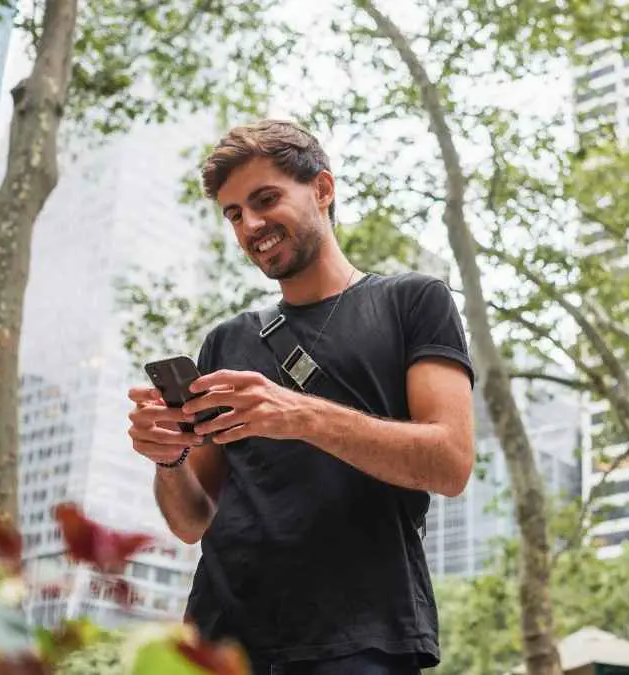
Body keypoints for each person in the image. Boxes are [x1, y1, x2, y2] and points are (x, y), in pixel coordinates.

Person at [126, 119, 475, 675]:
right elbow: (192, 520)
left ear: (322, 189)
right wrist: (169, 460)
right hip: (218, 642)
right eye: (234, 213)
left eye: (266, 199)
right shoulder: (225, 340)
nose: (251, 226)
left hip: (359, 639)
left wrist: (300, 415)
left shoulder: (414, 301)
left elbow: (450, 462)